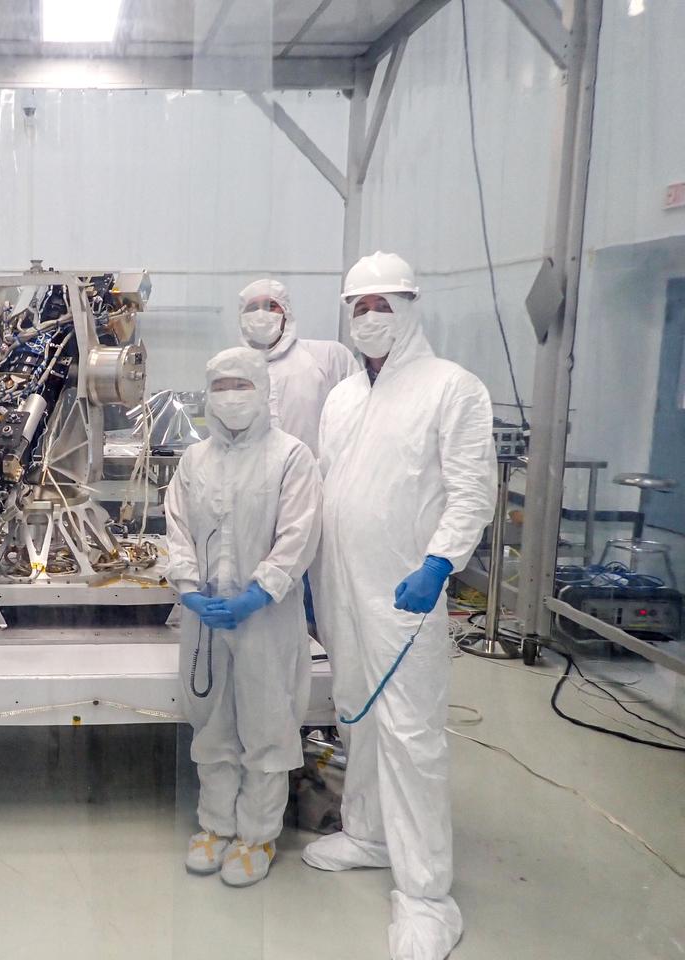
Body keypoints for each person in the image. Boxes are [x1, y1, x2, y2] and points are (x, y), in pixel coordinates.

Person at [303, 252, 495, 959]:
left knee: (412, 735)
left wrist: (441, 562)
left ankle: (426, 896)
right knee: (355, 712)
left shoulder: (453, 389)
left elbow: (471, 489)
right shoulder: (344, 397)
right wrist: (306, 570)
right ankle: (370, 834)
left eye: (385, 304)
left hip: (406, 590)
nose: (371, 317)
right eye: (360, 306)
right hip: (341, 586)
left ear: (412, 306)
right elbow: (329, 485)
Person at [164, 347, 322, 888]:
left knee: (267, 723)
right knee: (212, 723)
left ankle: (257, 834)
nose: (231, 396)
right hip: (206, 617)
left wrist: (261, 593)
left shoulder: (291, 456)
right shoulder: (194, 460)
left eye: (242, 385)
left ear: (262, 390)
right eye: (221, 386)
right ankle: (214, 826)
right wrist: (188, 588)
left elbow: (299, 535)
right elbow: (177, 528)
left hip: (266, 618)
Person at [237, 277, 358, 456]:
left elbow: (357, 417)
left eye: (271, 306)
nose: (261, 314)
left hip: (318, 477)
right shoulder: (234, 370)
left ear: (286, 313)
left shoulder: (328, 356)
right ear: (242, 319)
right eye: (253, 308)